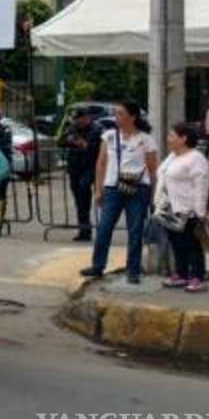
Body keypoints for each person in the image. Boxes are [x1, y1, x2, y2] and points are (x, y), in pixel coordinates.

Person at [81, 101, 159, 285]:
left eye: (121, 113)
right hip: (113, 188)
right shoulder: (109, 136)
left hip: (138, 189)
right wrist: (98, 189)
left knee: (135, 230)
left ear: (132, 117)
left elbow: (152, 168)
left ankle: (133, 270)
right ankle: (98, 265)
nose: (117, 117)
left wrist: (155, 195)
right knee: (104, 227)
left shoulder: (145, 139)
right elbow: (101, 164)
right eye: (116, 114)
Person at [158, 123, 209, 293]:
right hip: (170, 208)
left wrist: (200, 212)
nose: (168, 139)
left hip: (188, 210)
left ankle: (198, 277)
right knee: (176, 243)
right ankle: (181, 274)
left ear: (184, 138)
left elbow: (201, 185)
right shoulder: (173, 156)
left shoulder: (196, 158)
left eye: (172, 136)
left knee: (191, 244)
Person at [60, 108, 103, 242]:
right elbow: (60, 141)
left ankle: (92, 229)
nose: (78, 121)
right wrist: (70, 140)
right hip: (75, 167)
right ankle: (84, 229)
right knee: (79, 199)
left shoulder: (96, 129)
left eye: (80, 118)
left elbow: (93, 148)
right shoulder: (73, 128)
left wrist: (83, 144)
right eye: (76, 119)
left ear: (87, 117)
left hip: (90, 167)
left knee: (84, 191)